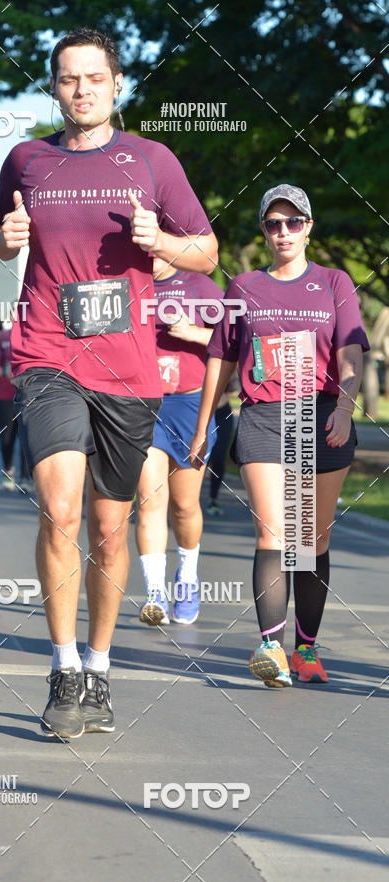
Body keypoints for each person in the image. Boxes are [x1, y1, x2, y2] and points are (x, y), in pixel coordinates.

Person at [0, 28, 218, 738]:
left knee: (111, 532)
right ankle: (61, 669)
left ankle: (99, 669)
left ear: (117, 84)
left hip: (128, 367)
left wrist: (161, 242)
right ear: (54, 87)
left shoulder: (152, 160)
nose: (80, 89)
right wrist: (2, 242)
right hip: (48, 354)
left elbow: (206, 250)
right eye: (67, 78)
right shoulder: (28, 159)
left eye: (93, 77)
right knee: (60, 511)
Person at [190, 184, 369, 688]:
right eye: (273, 224)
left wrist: (345, 408)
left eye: (293, 222)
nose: (283, 232)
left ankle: (306, 649)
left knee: (309, 542)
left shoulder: (334, 282)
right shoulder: (243, 287)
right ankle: (270, 646)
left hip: (321, 415)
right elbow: (221, 359)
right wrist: (203, 428)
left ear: (308, 227)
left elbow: (350, 352)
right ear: (264, 231)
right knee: (272, 533)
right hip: (264, 417)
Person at [136, 256, 222, 627]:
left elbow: (238, 338)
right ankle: (154, 593)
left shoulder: (198, 285)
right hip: (144, 405)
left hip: (189, 406)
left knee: (185, 505)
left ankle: (187, 577)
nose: (151, 254)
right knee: (149, 499)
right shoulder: (128, 284)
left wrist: (194, 333)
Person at [0, 319, 32, 491]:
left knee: (26, 438)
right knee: (7, 437)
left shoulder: (32, 334)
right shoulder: (1, 336)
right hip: (5, 393)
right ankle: (8, 470)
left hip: (28, 394)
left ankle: (25, 478)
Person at [205, 374, 238, 516]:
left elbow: (233, 387)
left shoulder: (224, 363)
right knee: (198, 455)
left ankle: (213, 500)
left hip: (223, 414)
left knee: (219, 457)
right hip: (201, 412)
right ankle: (187, 500)